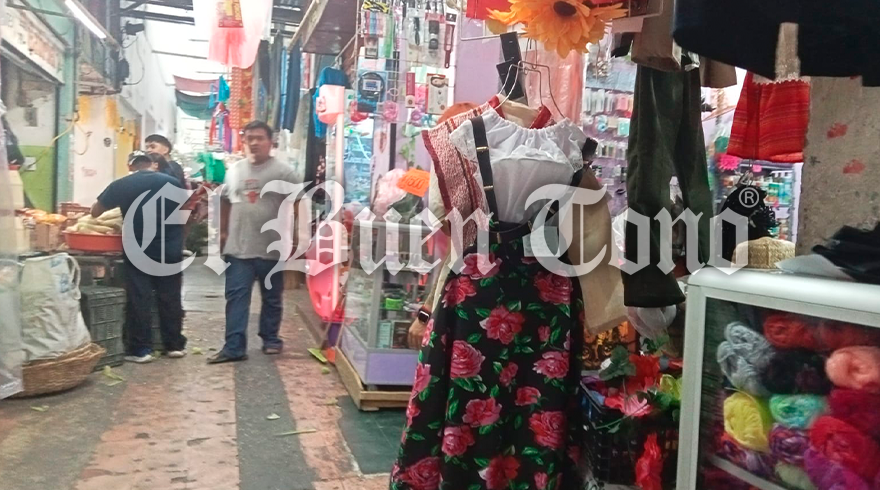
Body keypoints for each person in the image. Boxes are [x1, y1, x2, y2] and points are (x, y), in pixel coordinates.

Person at [208, 121, 298, 364]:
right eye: (250, 138)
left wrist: (298, 239)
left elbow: (299, 204)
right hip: (238, 247)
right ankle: (234, 347)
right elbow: (225, 201)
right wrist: (222, 233)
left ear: (271, 142)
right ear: (244, 141)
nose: (254, 142)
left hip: (272, 246)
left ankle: (270, 339)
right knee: (236, 297)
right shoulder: (234, 170)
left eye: (260, 138)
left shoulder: (284, 172)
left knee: (272, 297)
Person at [91, 152, 188, 363]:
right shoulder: (172, 182)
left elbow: (95, 212)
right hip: (169, 248)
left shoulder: (121, 184)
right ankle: (174, 346)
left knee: (139, 297)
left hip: (139, 250)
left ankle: (141, 350)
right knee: (170, 297)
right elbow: (184, 212)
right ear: (151, 164)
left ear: (130, 166)